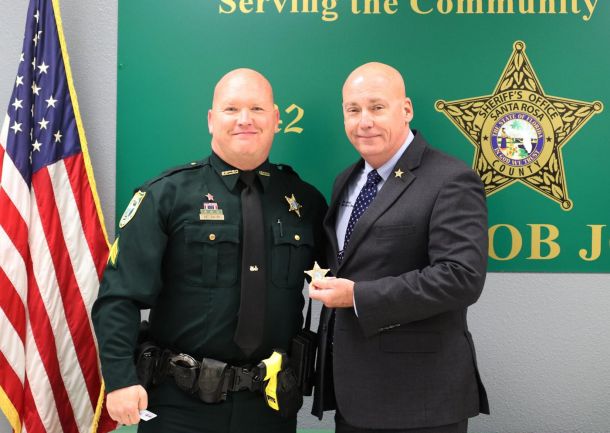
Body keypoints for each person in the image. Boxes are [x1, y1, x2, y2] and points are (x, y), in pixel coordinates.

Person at [92, 68, 327, 433]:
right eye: (231, 109)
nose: (245, 119)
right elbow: (118, 297)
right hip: (179, 406)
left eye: (257, 109)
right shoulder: (166, 195)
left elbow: (346, 278)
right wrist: (120, 379)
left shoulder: (305, 202)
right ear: (211, 119)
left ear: (276, 119)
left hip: (270, 408)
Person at [310, 62, 489, 433]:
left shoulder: (451, 178)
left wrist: (357, 296)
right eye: (353, 110)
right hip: (353, 395)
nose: (364, 121)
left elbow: (461, 278)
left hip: (420, 400)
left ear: (406, 109)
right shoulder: (346, 180)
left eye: (377, 107)